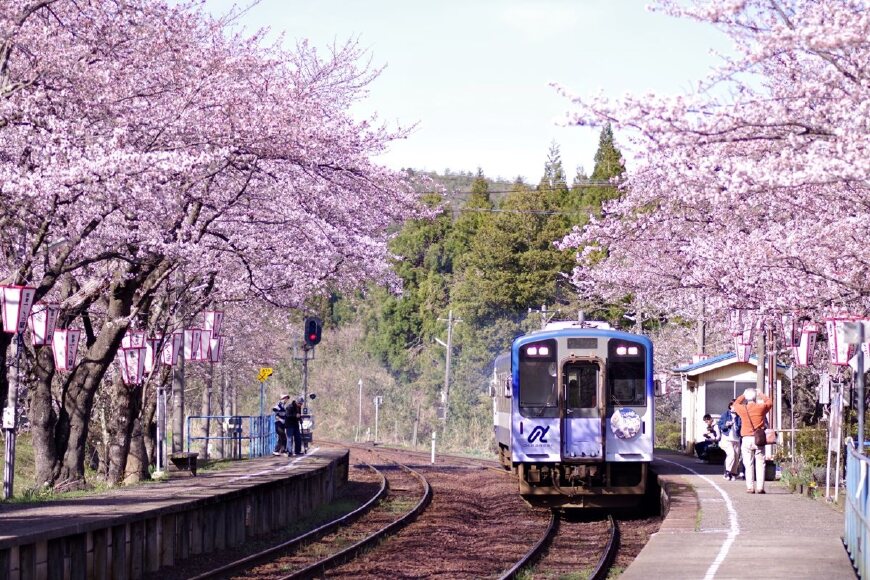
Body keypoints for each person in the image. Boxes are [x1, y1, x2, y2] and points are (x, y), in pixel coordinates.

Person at [734, 387, 774, 494]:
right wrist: (761, 394)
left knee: (748, 464)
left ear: (747, 398)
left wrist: (743, 395)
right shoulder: (761, 407)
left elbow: (735, 404)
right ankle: (760, 487)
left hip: (746, 438)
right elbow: (770, 402)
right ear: (755, 397)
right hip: (759, 438)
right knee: (760, 463)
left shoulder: (742, 409)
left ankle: (750, 487)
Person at [717, 399, 743, 480]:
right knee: (731, 454)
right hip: (727, 439)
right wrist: (726, 424)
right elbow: (720, 425)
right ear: (730, 406)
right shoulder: (725, 415)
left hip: (736, 439)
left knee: (736, 456)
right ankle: (727, 472)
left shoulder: (740, 415)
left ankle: (733, 473)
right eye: (734, 406)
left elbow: (741, 426)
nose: (736, 408)